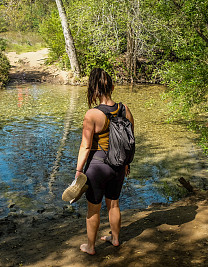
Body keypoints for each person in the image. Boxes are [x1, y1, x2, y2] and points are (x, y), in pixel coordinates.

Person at [75, 68, 134, 255]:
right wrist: (126, 164)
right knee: (114, 204)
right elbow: (130, 140)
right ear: (112, 86)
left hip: (97, 166)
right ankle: (115, 239)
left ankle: (90, 247)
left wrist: (78, 171)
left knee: (93, 209)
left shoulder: (92, 114)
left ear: (93, 89)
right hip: (118, 165)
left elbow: (85, 146)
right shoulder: (125, 109)